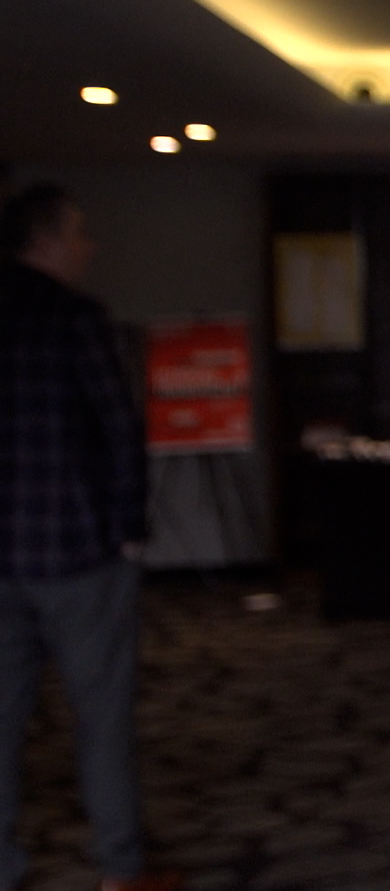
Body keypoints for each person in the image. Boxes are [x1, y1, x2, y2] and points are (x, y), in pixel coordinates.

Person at [0, 184, 181, 891]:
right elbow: (116, 427)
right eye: (78, 233)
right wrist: (129, 528)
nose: (89, 247)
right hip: (76, 548)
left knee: (2, 719)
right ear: (44, 241)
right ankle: (119, 866)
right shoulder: (75, 318)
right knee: (101, 713)